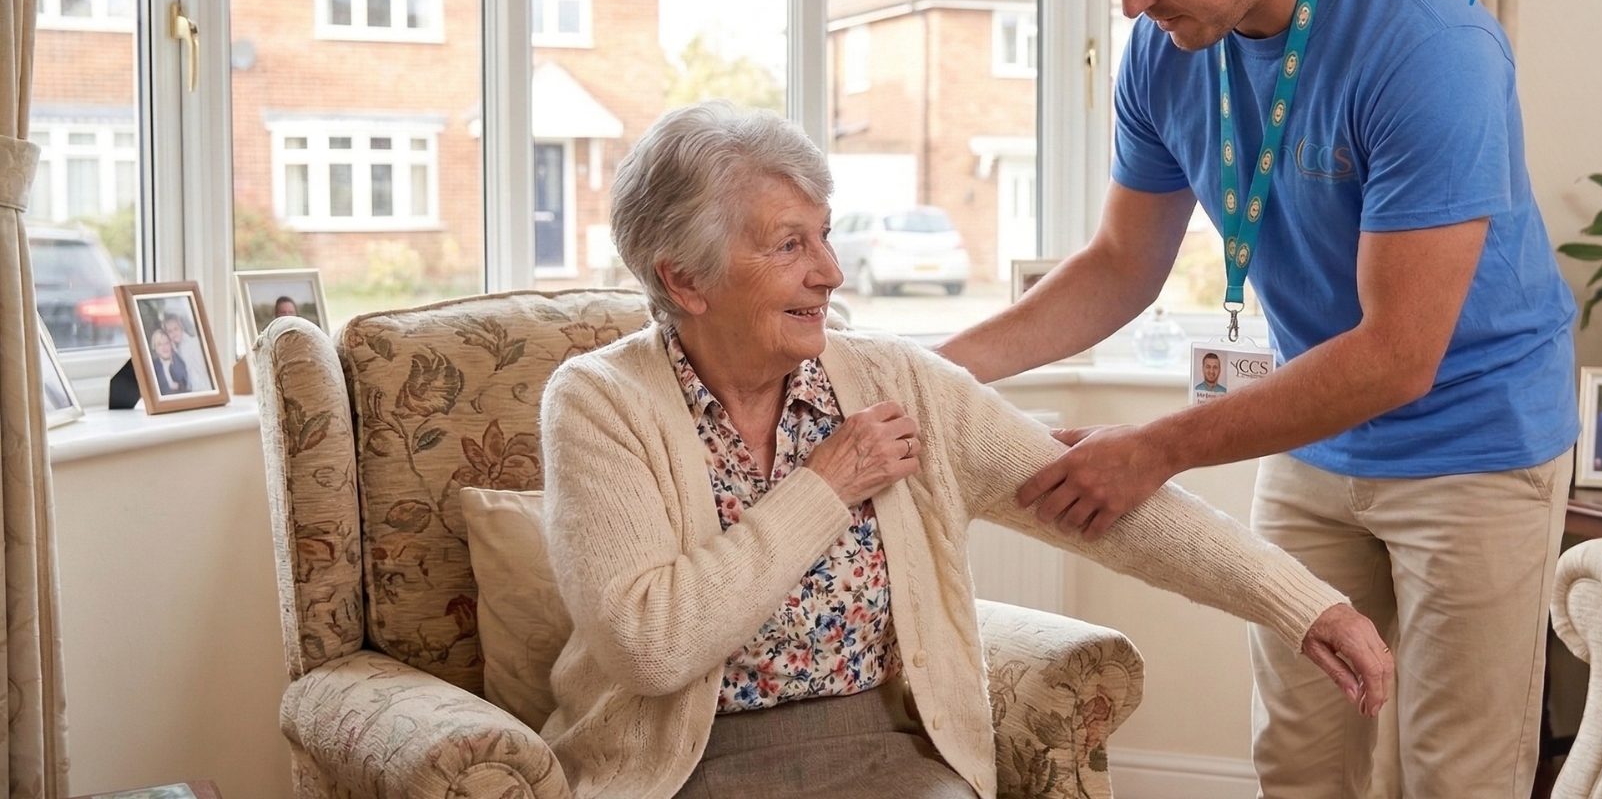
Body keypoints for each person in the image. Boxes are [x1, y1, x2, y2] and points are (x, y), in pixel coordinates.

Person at [934, 0, 1579, 799]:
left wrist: (1155, 451)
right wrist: (930, 371)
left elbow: (1399, 354)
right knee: (1298, 753)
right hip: (1315, 428)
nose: (1130, 1)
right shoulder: (1166, 50)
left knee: (1452, 773)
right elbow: (1117, 265)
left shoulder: (1428, 49)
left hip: (1475, 440)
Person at [539, 103, 1392, 799]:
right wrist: (827, 485)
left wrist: (1307, 606)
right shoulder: (599, 403)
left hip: (879, 752)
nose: (831, 271)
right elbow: (648, 646)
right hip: (682, 768)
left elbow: (1106, 507)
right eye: (789, 244)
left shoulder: (892, 382)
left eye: (826, 235)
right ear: (684, 279)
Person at [162, 311, 211, 393]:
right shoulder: (175, 349)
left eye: (176, 329)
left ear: (182, 328)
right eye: (170, 331)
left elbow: (199, 370)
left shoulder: (193, 343)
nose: (174, 333)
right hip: (191, 389)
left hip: (201, 388)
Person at [148, 326, 189, 397]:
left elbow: (185, 384)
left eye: (166, 343)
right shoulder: (152, 367)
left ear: (171, 345)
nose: (164, 347)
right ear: (155, 348)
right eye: (160, 344)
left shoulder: (179, 362)